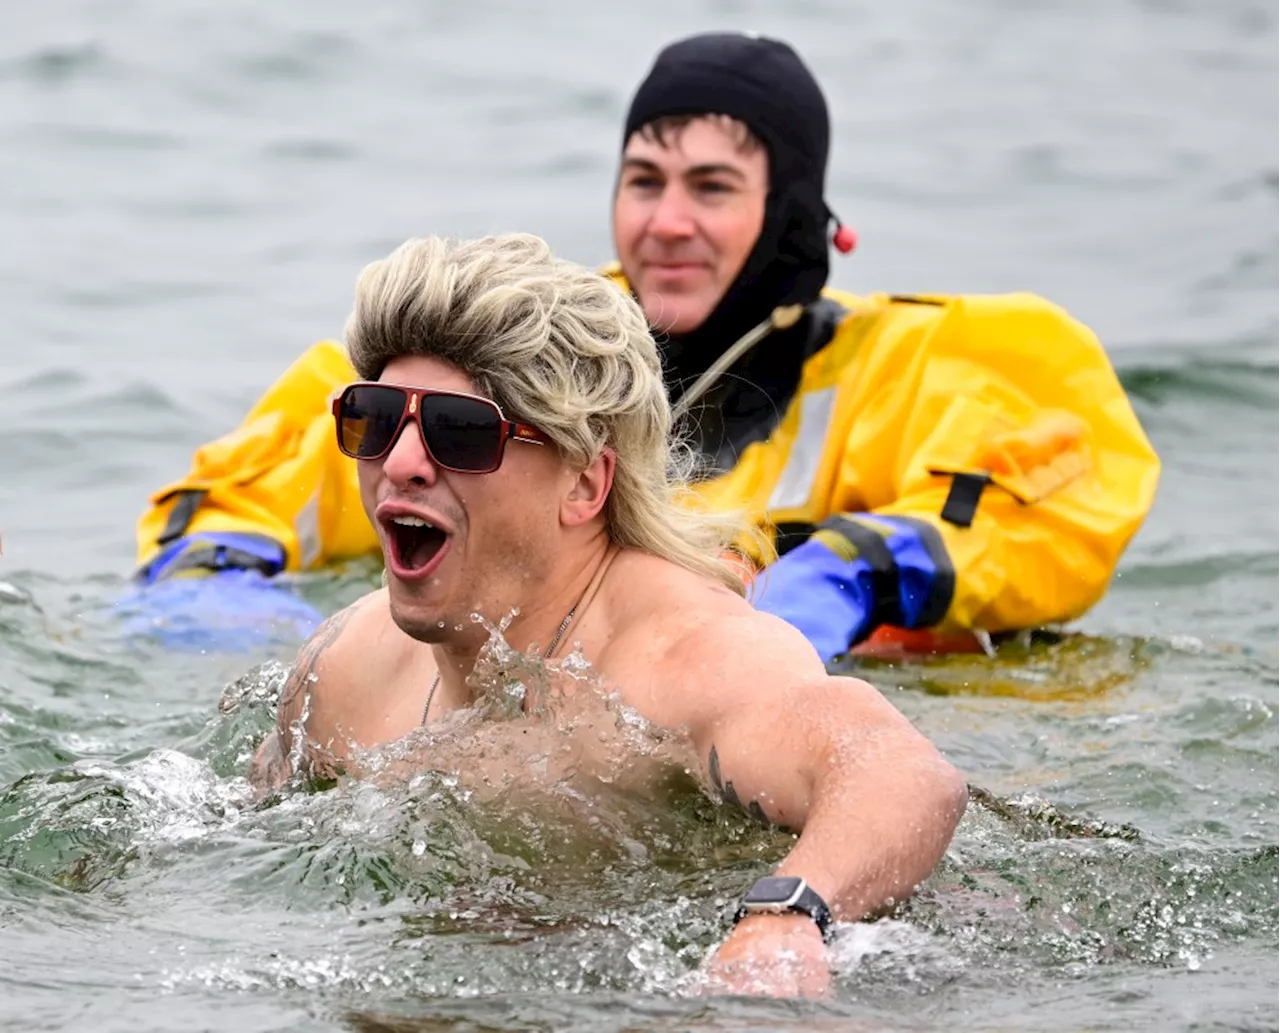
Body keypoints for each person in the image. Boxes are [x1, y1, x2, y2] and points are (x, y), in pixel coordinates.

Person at [133, 32, 1161, 663]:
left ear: (796, 216)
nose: (666, 221)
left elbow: (1066, 496)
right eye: (642, 180)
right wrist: (220, 586)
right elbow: (279, 462)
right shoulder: (523, 359)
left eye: (711, 187)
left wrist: (850, 571)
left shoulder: (935, 363)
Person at [248, 231, 967, 998]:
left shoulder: (677, 659)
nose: (399, 461)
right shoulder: (345, 665)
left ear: (585, 485)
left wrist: (783, 917)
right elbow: (231, 831)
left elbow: (904, 772)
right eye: (378, 417)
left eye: (461, 431)